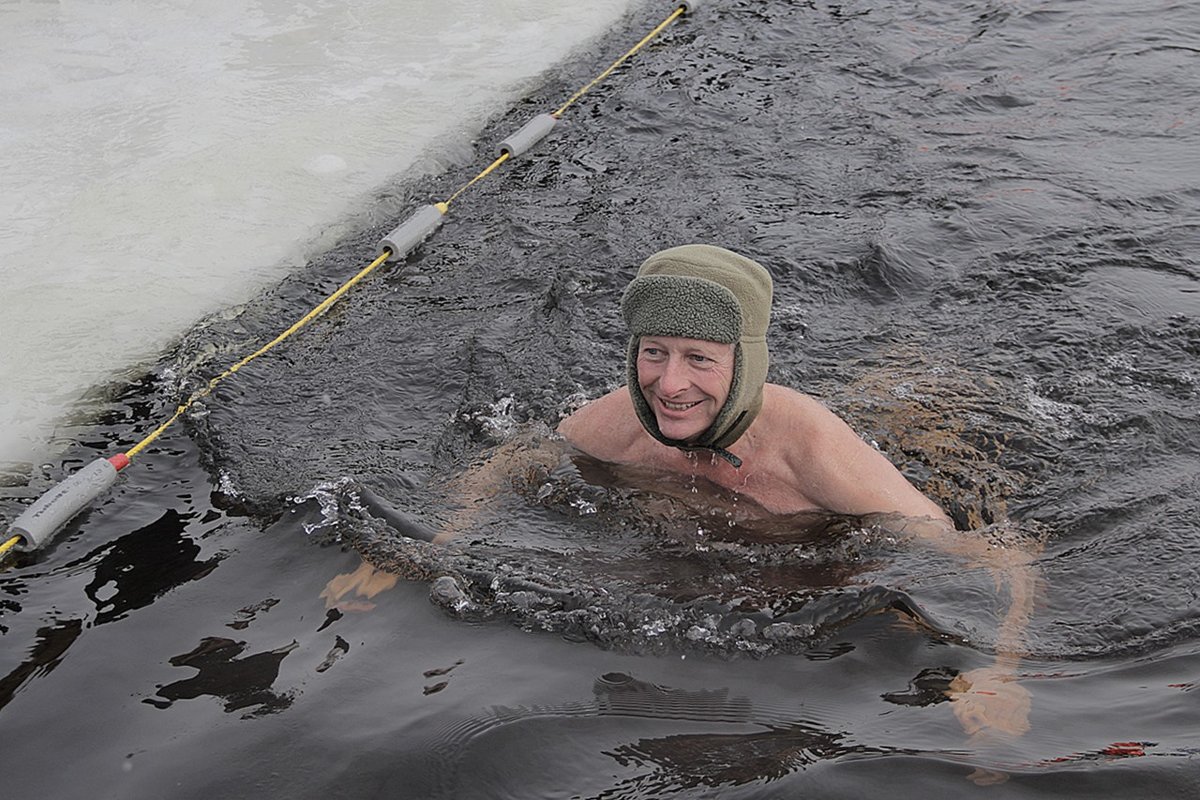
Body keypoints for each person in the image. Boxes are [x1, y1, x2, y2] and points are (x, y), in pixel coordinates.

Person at [557, 244, 950, 523]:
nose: (670, 385)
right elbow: (518, 468)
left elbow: (949, 550)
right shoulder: (609, 426)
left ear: (745, 364)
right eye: (654, 353)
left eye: (699, 359)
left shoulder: (815, 451)